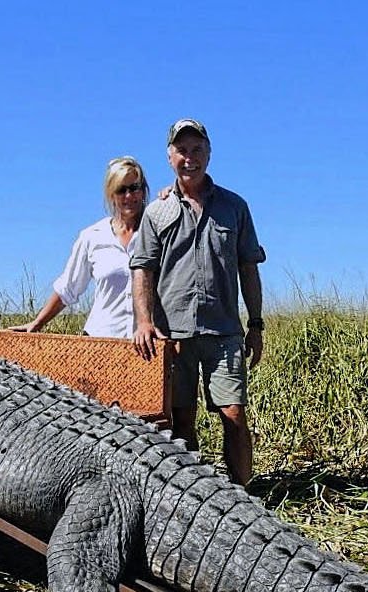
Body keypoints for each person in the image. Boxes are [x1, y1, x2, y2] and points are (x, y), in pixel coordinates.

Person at [130, 119, 266, 486]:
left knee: (234, 415)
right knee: (181, 421)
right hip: (173, 335)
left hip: (223, 332)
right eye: (182, 150)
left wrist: (255, 324)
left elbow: (248, 267)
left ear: (209, 154)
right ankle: (191, 496)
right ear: (169, 156)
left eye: (197, 150)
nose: (189, 158)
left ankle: (243, 494)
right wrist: (144, 322)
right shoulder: (156, 212)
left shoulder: (234, 207)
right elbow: (142, 268)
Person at [11, 156, 149, 336]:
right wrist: (37, 323)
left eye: (134, 188)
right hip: (100, 340)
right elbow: (68, 287)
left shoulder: (157, 233)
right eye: (121, 190)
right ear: (111, 195)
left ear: (143, 190)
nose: (128, 196)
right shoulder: (92, 236)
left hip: (146, 342)